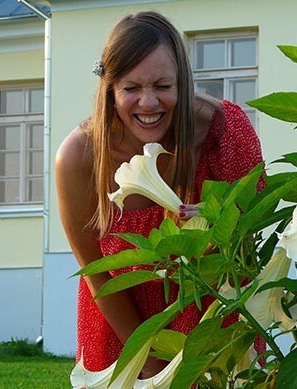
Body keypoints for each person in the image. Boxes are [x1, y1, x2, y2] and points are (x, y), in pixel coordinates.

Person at [55, 11, 264, 377]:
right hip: (122, 327)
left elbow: (254, 232)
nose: (148, 104)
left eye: (162, 86)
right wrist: (150, 366)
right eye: (131, 88)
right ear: (110, 90)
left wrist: (223, 227)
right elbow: (97, 275)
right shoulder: (79, 156)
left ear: (183, 82)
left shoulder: (225, 131)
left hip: (213, 318)